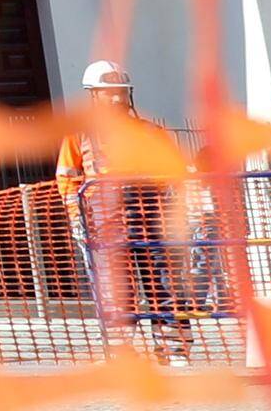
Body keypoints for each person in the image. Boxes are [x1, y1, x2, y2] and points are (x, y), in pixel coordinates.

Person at [61, 59, 197, 355]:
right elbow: (68, 179)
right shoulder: (78, 135)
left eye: (121, 92)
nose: (116, 98)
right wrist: (76, 219)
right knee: (116, 291)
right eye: (109, 92)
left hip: (152, 219)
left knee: (166, 285)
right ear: (93, 96)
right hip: (106, 225)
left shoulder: (150, 132)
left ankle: (175, 350)